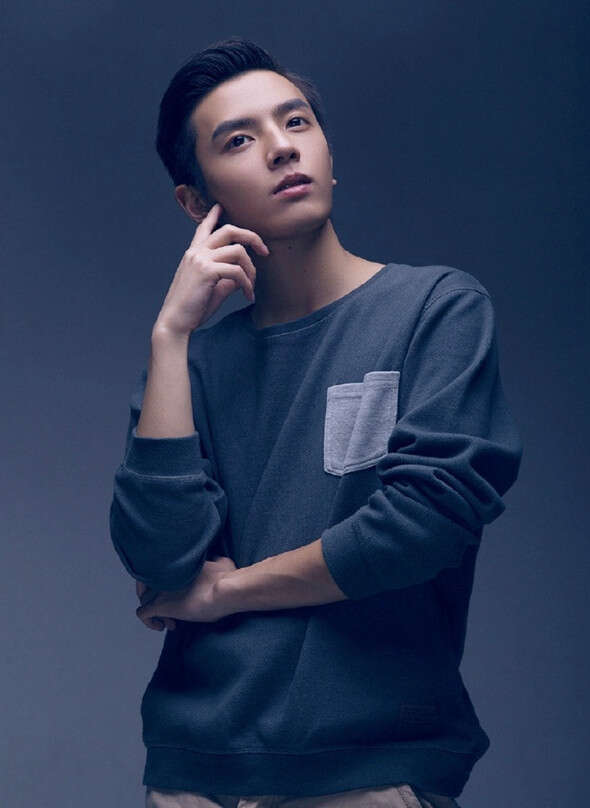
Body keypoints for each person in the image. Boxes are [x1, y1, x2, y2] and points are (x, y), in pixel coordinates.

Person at [108, 36, 524, 808]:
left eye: (296, 122)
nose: (280, 148)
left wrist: (228, 594)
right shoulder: (195, 365)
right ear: (196, 204)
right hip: (193, 775)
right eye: (239, 140)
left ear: (329, 155)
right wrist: (170, 336)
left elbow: (422, 525)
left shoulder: (435, 309)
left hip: (365, 768)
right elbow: (162, 564)